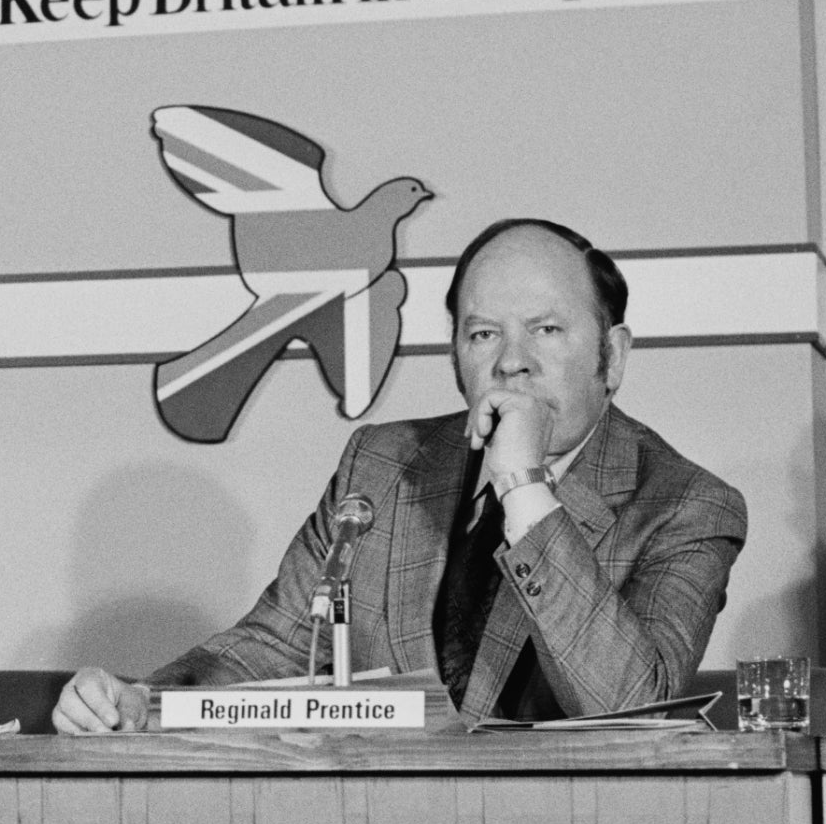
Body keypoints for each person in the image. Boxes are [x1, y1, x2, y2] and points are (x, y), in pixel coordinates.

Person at [55, 218, 747, 731]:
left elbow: (632, 710)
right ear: (454, 356)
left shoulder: (688, 506)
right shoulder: (383, 466)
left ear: (613, 358)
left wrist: (526, 491)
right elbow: (276, 642)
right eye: (483, 335)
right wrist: (144, 703)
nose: (512, 362)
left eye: (547, 330)